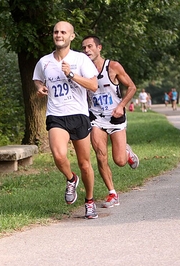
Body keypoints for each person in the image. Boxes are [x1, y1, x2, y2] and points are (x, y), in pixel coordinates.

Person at [33, 21, 99, 219]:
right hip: (56, 115)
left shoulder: (80, 60)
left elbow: (93, 86)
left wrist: (71, 74)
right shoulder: (44, 62)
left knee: (85, 163)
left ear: (72, 36)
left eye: (63, 32)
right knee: (59, 155)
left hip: (78, 115)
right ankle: (71, 178)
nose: (59, 35)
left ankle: (89, 201)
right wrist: (39, 87)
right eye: (56, 32)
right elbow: (37, 78)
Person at [81, 35, 139, 208]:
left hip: (115, 117)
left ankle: (127, 153)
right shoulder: (83, 70)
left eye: (90, 46)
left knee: (119, 161)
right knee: (100, 155)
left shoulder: (112, 67)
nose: (87, 50)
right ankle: (112, 193)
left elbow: (132, 87)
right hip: (96, 118)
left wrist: (121, 105)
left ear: (99, 48)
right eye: (84, 48)